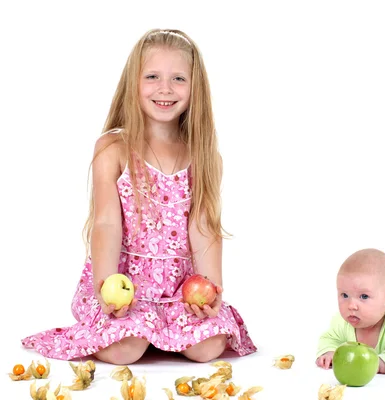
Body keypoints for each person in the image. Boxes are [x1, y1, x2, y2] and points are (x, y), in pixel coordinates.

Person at [21, 29, 257, 364]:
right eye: (152, 77)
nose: (165, 89)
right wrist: (106, 284)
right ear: (134, 82)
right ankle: (144, 333)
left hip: (178, 289)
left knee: (208, 348)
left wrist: (211, 289)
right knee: (123, 351)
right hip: (128, 284)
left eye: (178, 78)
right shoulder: (114, 148)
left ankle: (164, 331)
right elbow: (106, 223)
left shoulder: (204, 155)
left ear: (195, 88)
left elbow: (204, 227)